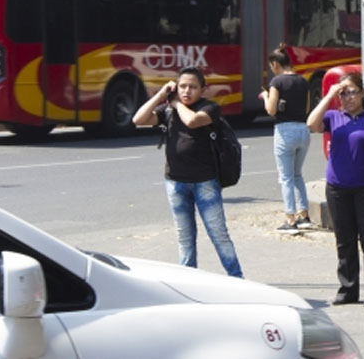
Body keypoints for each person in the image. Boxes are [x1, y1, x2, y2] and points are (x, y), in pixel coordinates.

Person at [131, 67, 243, 278]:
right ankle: (188, 280)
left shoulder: (210, 108)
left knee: (219, 235)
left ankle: (237, 278)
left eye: (192, 87)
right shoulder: (169, 111)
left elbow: (192, 121)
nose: (186, 91)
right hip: (175, 183)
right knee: (185, 238)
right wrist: (160, 95)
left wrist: (175, 103)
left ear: (203, 89)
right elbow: (138, 119)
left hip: (205, 183)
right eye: (182, 86)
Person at [307, 72, 364, 308]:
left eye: (352, 92)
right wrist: (329, 96)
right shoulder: (334, 116)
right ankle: (348, 289)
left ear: (363, 92)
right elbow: (311, 124)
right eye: (343, 93)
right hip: (337, 188)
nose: (347, 97)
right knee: (344, 241)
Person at [259, 45, 311, 234]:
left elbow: (271, 110)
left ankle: (290, 219)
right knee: (297, 175)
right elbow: (306, 110)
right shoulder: (303, 80)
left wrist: (265, 96)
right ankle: (304, 216)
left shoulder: (277, 82)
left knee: (286, 177)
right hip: (303, 131)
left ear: (275, 64)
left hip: (284, 131)